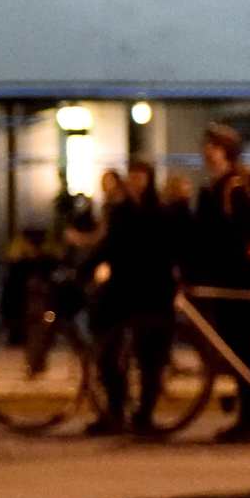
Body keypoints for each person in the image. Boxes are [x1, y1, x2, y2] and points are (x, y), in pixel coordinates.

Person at [85, 160, 178, 436]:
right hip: (123, 291)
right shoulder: (122, 212)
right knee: (109, 355)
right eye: (134, 176)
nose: (137, 181)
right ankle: (115, 410)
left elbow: (167, 249)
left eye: (142, 176)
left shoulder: (159, 212)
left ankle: (144, 414)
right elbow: (109, 246)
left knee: (150, 358)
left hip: (153, 292)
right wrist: (87, 268)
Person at [190, 123, 250, 443]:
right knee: (237, 348)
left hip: (240, 280)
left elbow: (237, 235)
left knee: (244, 348)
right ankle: (248, 416)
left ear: (226, 151)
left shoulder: (233, 186)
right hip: (231, 277)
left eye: (213, 146)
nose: (206, 151)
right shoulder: (221, 185)